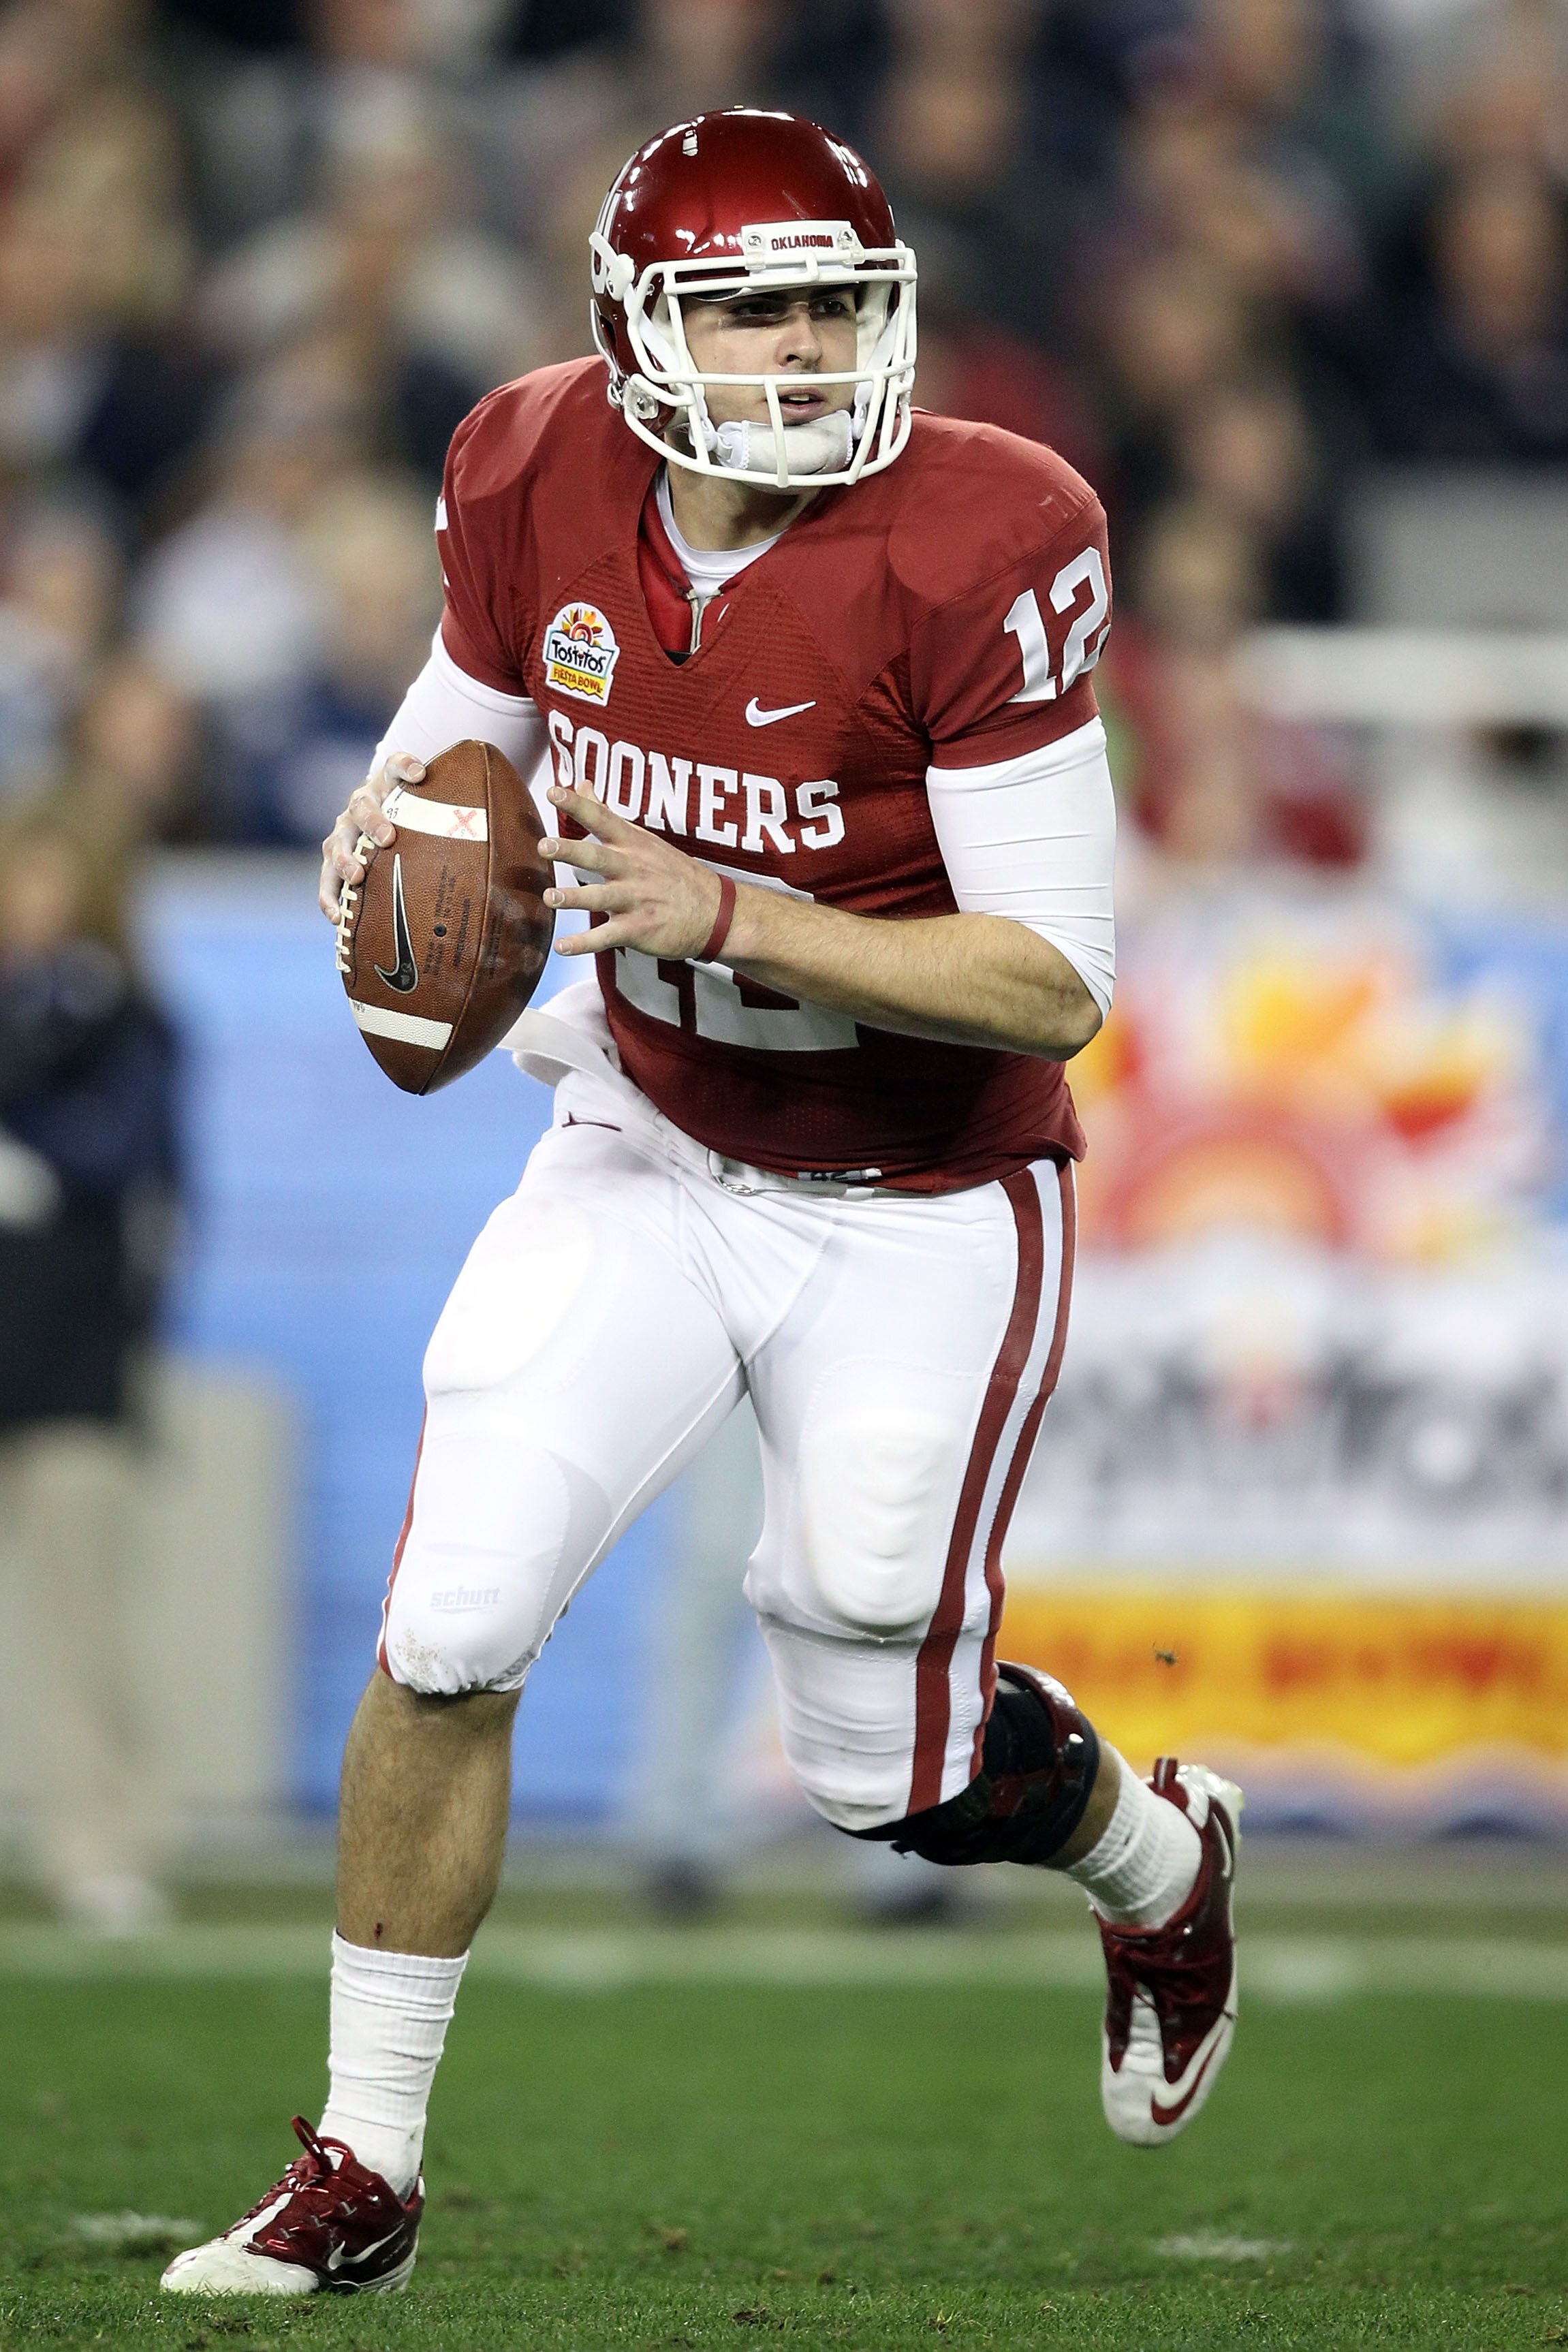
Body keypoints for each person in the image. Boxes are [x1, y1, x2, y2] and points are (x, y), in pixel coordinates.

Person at [162, 108, 1242, 2299]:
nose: (807, 346)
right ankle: (362, 2157)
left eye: (840, 300)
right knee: (451, 1616)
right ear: (634, 330)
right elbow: (437, 753)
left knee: (879, 1760)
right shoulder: (528, 462)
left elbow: (1056, 980)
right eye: (752, 308)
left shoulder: (983, 527)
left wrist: (741, 905)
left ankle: (1152, 1851)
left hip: (921, 1185)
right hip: (643, 1135)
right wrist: (388, 856)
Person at [0, 802, 181, 1932]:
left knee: (84, 1618)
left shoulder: (131, 1020)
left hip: (73, 1346)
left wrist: (29, 1143)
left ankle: (100, 1839)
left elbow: (130, 1160)